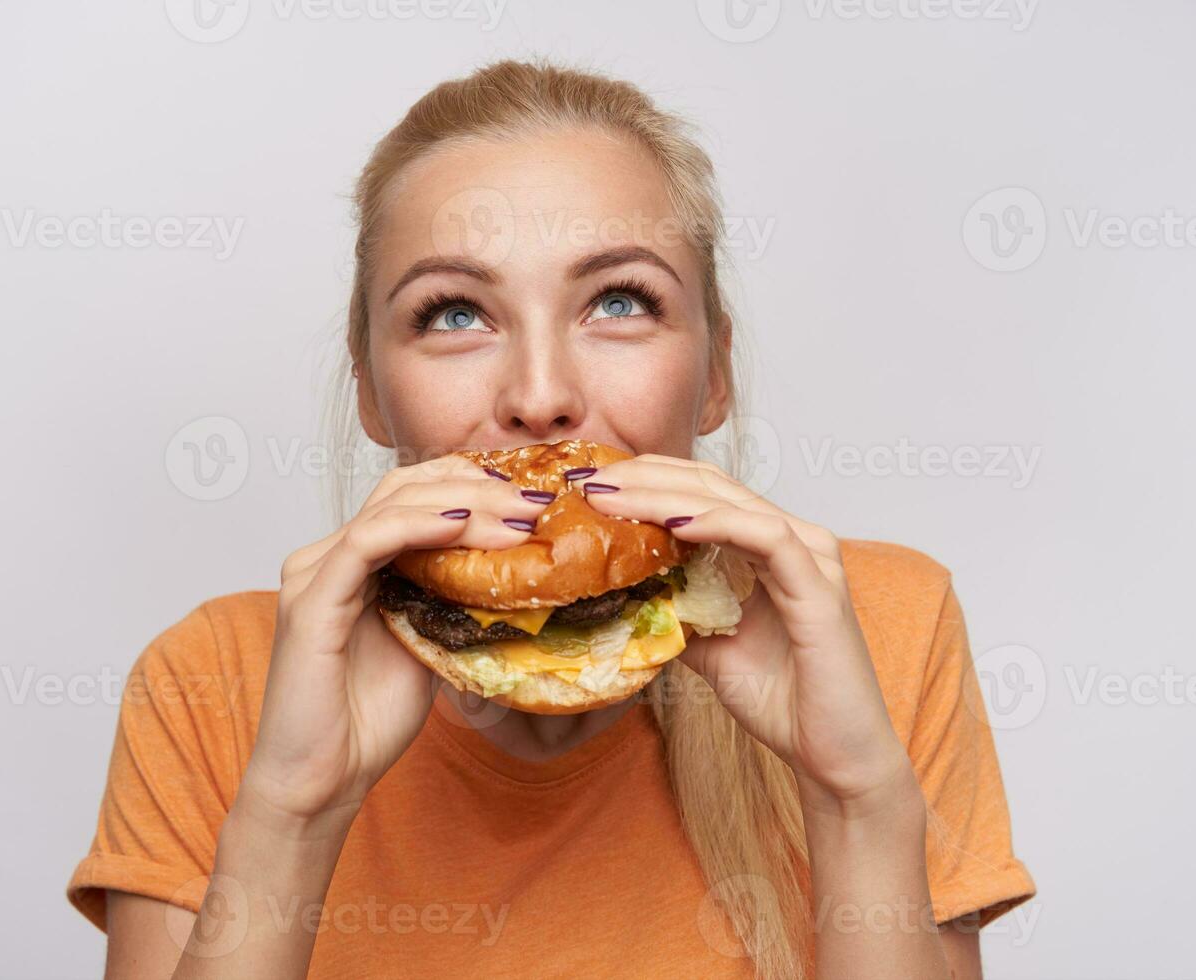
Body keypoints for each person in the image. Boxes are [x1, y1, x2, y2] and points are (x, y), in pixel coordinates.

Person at [67, 59, 1035, 979]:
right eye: (454, 314)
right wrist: (290, 811)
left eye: (619, 301)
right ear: (370, 389)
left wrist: (858, 801)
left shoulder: (877, 628)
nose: (540, 396)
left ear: (716, 373)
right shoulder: (211, 681)